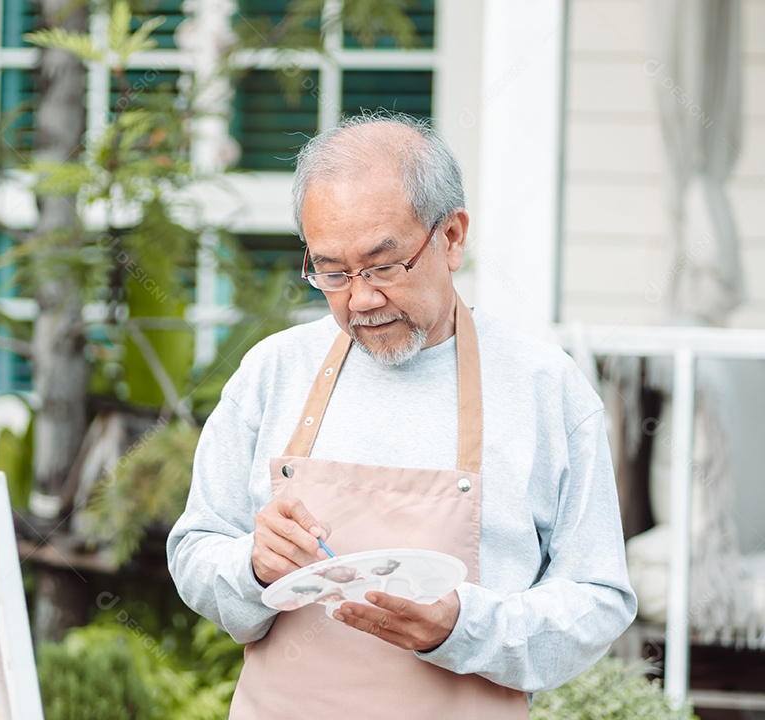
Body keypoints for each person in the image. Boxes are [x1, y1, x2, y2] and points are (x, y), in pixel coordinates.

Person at [166, 113, 637, 718]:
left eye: (384, 266)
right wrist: (252, 566)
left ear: (452, 237)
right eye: (332, 272)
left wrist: (463, 627)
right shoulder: (273, 371)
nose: (360, 298)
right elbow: (196, 548)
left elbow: (598, 599)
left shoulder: (546, 388)